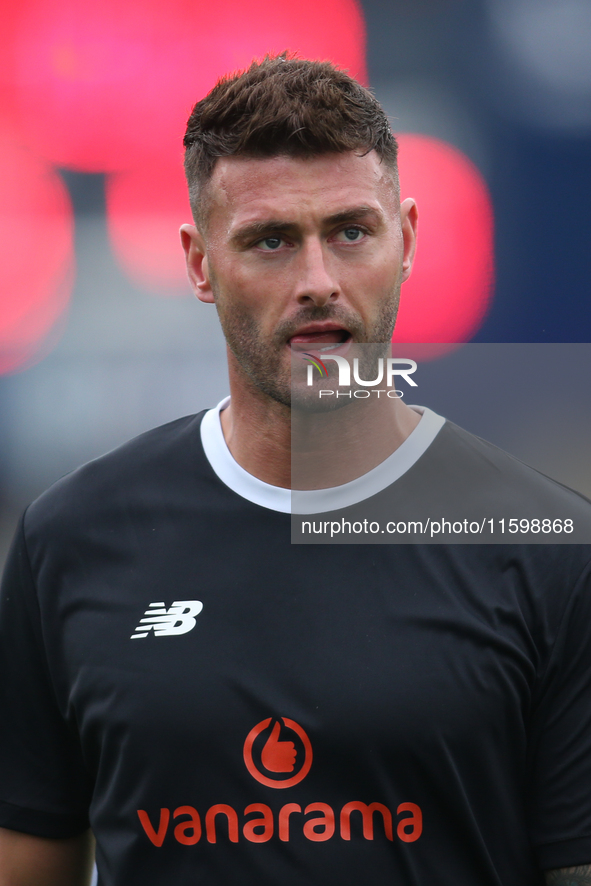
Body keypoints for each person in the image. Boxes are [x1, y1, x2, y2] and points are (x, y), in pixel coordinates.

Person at [1, 55, 591, 886]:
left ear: (408, 239)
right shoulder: (69, 542)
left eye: (350, 231)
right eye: (270, 241)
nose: (318, 283)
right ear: (199, 263)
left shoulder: (552, 553)